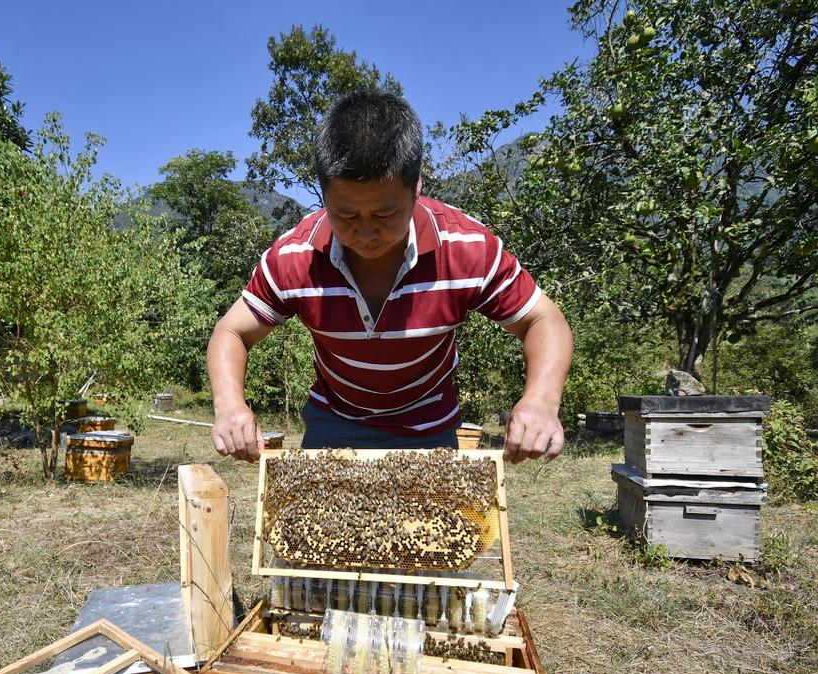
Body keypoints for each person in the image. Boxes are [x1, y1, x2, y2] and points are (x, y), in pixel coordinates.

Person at [207, 89, 573, 462]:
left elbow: (542, 319)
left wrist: (541, 401)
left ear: (416, 188)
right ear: (324, 194)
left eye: (384, 214)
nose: (365, 233)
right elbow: (232, 331)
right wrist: (231, 406)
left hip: (428, 426)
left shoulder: (467, 248)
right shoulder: (293, 257)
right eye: (346, 215)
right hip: (334, 420)